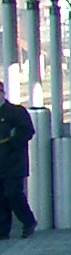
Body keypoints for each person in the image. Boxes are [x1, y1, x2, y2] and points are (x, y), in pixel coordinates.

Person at [0, 84, 37, 239]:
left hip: (13, 162)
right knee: (1, 198)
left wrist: (11, 142)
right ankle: (3, 231)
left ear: (3, 93)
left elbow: (27, 131)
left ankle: (28, 221)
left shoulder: (16, 112)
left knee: (13, 193)